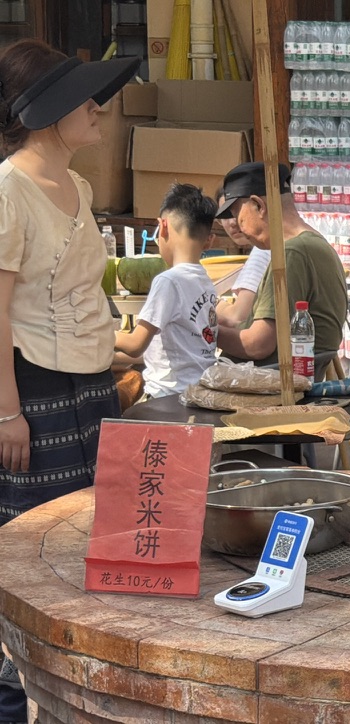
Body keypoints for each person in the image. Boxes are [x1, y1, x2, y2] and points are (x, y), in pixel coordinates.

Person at [0, 38, 138, 722]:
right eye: (87, 102)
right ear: (48, 111)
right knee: (33, 546)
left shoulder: (80, 187)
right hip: (32, 389)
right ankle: (19, 686)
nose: (100, 114)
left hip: (92, 384)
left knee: (91, 532)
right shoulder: (8, 188)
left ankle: (84, 686)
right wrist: (6, 412)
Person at [214, 162, 347, 368]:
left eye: (237, 215)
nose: (238, 226)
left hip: (270, 383)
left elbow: (258, 344)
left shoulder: (292, 252)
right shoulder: (314, 243)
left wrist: (205, 332)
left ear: (259, 206)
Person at [113, 183, 219, 398]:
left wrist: (96, 332)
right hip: (201, 392)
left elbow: (135, 345)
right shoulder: (205, 281)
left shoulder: (169, 281)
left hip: (168, 396)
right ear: (209, 241)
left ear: (162, 227)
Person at [214, 186, 271, 329]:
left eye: (237, 211)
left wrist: (211, 303)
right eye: (225, 216)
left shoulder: (262, 251)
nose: (233, 222)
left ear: (259, 206)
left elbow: (237, 316)